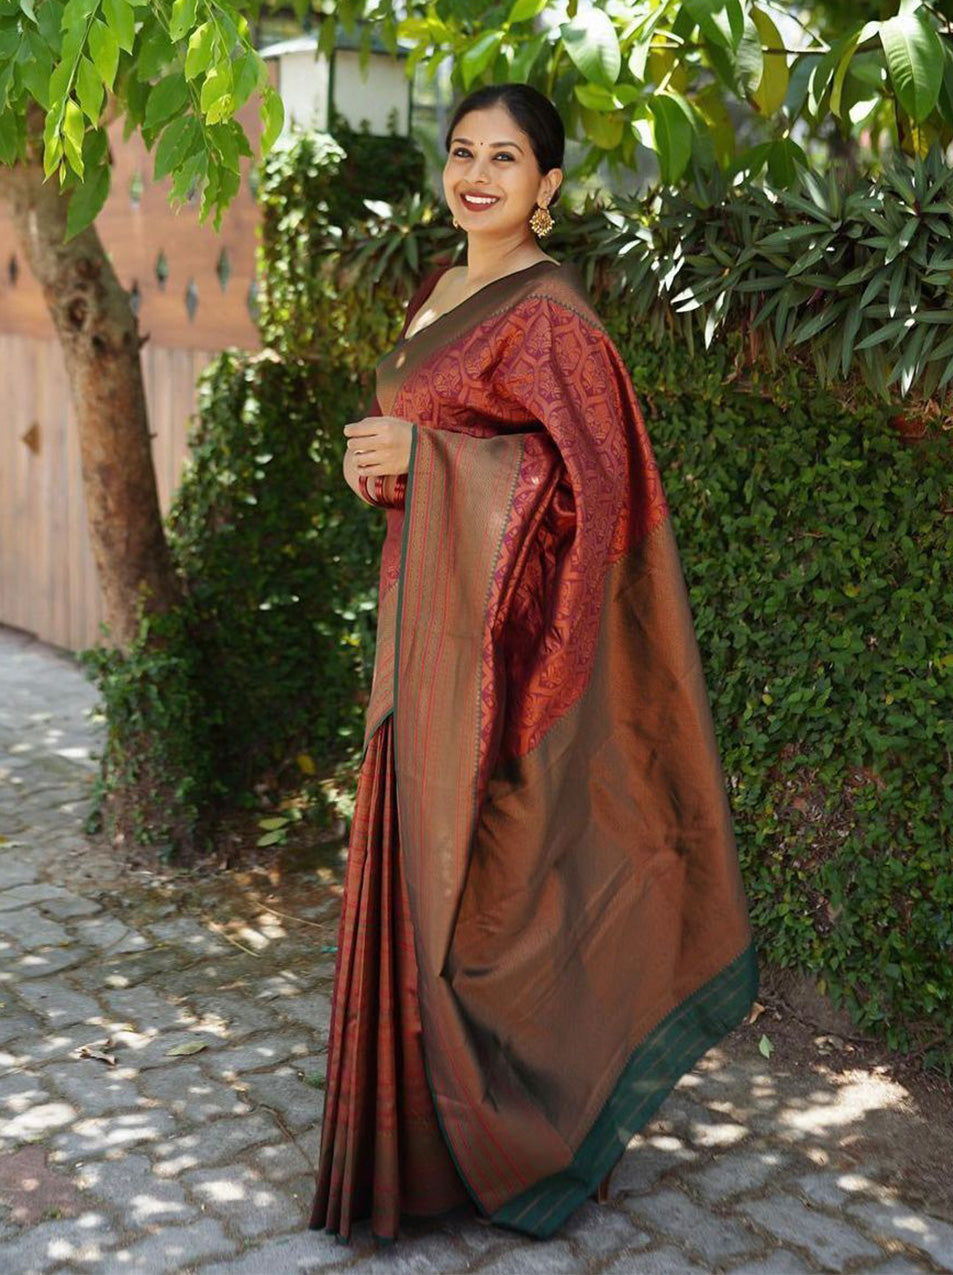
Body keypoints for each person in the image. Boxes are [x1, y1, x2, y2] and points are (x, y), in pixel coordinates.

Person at [308, 82, 759, 1248]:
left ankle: (519, 1136)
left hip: (497, 665)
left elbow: (592, 493)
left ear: (548, 187)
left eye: (505, 159)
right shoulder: (444, 284)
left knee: (482, 889)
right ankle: (421, 1147)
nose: (476, 175)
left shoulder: (554, 316)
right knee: (420, 881)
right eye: (462, 152)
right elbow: (455, 441)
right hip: (426, 635)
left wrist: (435, 462)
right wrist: (397, 466)